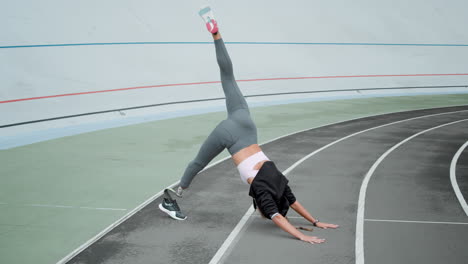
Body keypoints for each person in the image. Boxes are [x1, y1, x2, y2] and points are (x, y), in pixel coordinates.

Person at [159, 6, 339, 244]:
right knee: (198, 163)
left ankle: (216, 34)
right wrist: (303, 236)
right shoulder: (264, 193)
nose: (262, 212)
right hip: (230, 137)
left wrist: (316, 221)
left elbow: (293, 203)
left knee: (228, 76)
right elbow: (277, 217)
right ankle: (176, 194)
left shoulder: (281, 184)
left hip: (246, 124)